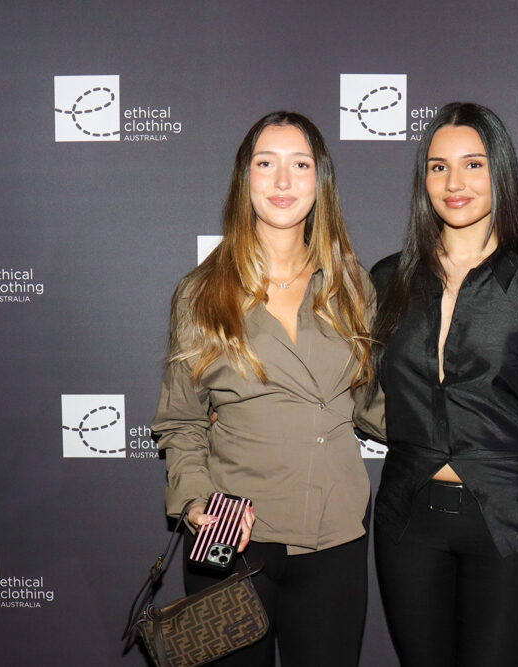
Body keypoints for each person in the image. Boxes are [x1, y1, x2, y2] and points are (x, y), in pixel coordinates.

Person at [151, 111, 383, 667]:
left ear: (320, 181)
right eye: (266, 163)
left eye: (300, 164)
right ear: (245, 178)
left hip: (333, 538)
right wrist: (195, 499)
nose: (282, 181)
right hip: (231, 541)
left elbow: (374, 404)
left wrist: (468, 428)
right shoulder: (202, 293)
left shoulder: (352, 285)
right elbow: (181, 421)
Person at [367, 102, 518, 667]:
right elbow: (346, 384)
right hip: (406, 524)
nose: (454, 183)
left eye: (473, 164)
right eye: (438, 167)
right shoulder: (388, 280)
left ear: (501, 173)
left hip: (507, 526)